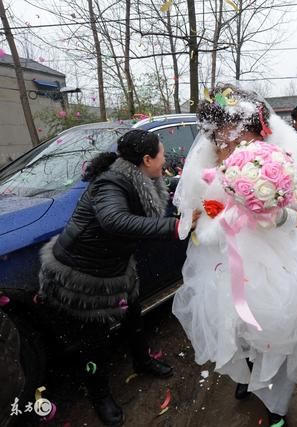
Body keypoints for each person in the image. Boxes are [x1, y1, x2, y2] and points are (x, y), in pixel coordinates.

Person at [172, 84, 297, 427]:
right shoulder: (209, 166)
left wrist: (279, 217)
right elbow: (201, 218)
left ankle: (276, 404)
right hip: (227, 264)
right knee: (236, 329)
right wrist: (203, 220)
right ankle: (247, 375)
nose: (231, 150)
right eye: (222, 142)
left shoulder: (284, 161)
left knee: (279, 330)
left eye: (238, 140)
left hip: (282, 262)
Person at [38, 129, 197, 426]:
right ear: (147, 159)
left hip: (114, 267)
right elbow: (114, 220)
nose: (165, 159)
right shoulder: (111, 182)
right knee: (93, 341)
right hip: (83, 273)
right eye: (162, 154)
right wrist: (173, 227)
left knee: (134, 317)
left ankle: (143, 360)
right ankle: (99, 395)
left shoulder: (141, 177)